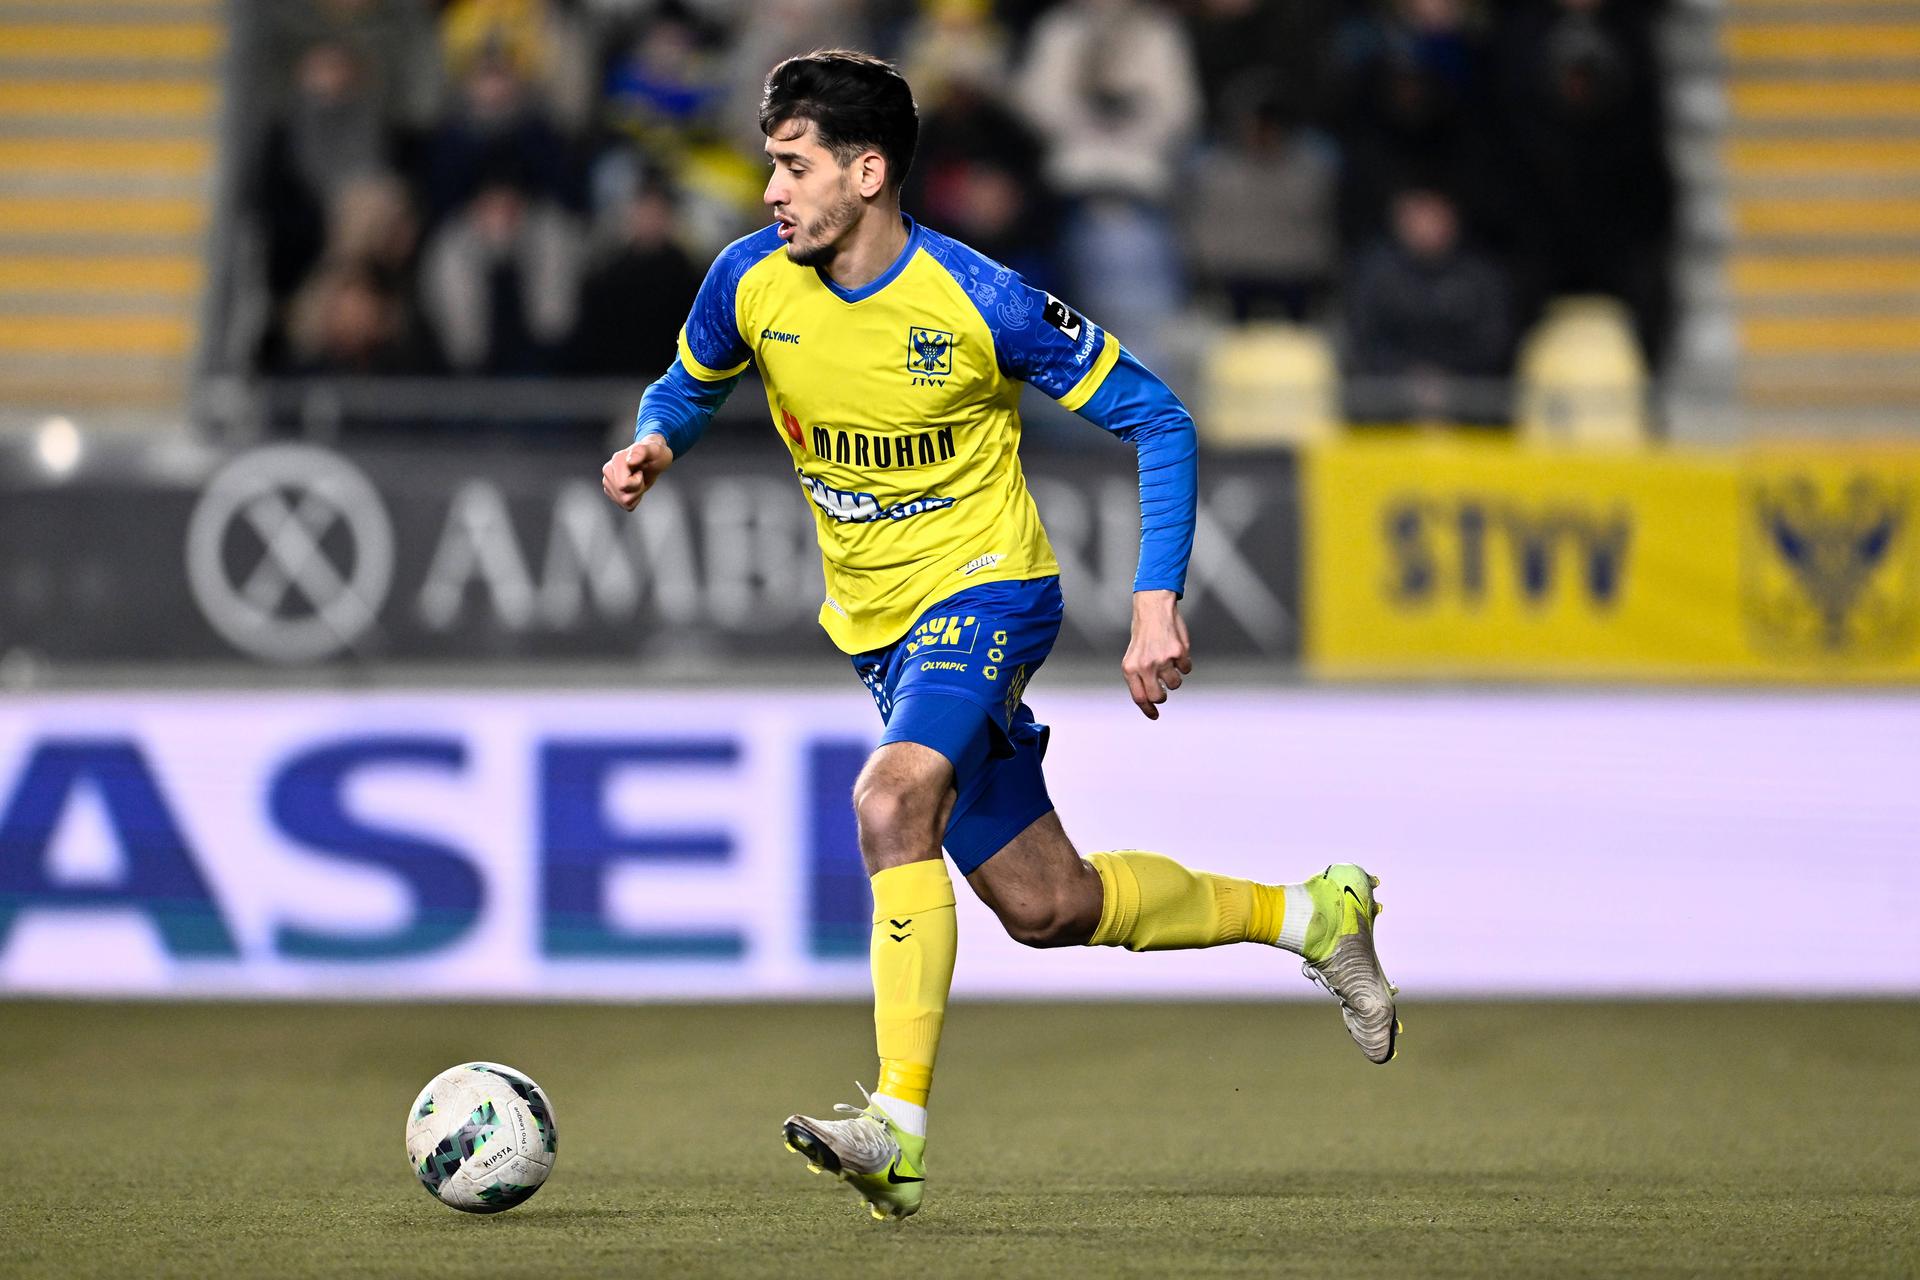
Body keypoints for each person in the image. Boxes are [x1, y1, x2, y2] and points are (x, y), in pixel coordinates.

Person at [599, 50, 1398, 1223]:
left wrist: (1154, 597)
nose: (770, 190)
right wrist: (656, 440)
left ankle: (898, 1129)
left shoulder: (982, 299)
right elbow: (691, 378)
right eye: (771, 164)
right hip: (880, 635)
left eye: (792, 164)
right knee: (1048, 904)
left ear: (868, 172)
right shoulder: (747, 280)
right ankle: (1316, 914)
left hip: (988, 596)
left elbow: (1160, 418)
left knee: (890, 800)